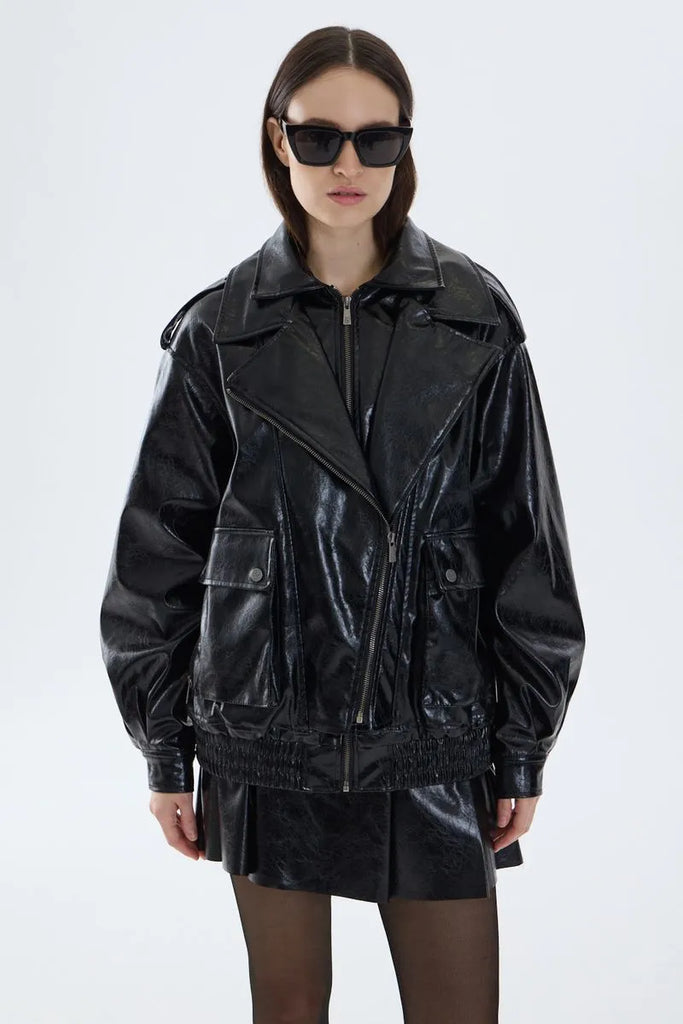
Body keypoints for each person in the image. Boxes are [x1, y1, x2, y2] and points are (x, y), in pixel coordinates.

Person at [99, 25, 586, 1024]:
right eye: (319, 138)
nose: (348, 164)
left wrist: (522, 744)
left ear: (406, 144)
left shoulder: (475, 318)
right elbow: (156, 557)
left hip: (432, 731)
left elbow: (526, 546)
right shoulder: (217, 330)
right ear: (277, 139)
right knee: (287, 1008)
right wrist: (164, 751)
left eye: (377, 139)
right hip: (265, 735)